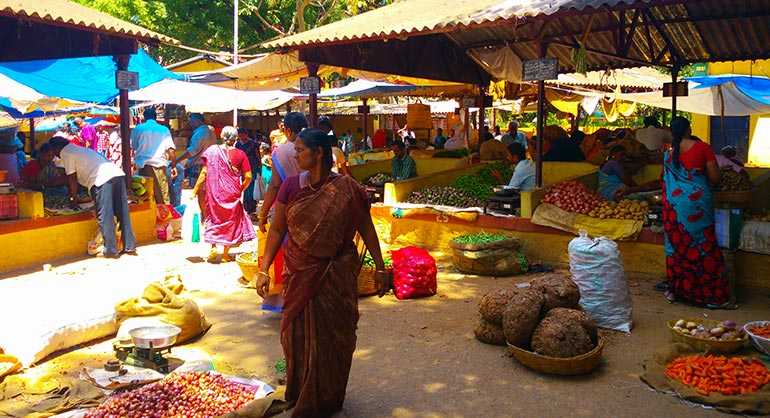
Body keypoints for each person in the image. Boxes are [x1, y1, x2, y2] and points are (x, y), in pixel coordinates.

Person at [256, 128, 388, 418]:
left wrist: (380, 267)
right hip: (300, 273)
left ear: (318, 153)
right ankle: (301, 391)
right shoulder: (291, 187)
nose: (295, 153)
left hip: (336, 275)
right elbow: (278, 228)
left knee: (334, 337)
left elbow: (366, 228)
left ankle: (328, 397)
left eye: (301, 149)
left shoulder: (348, 189)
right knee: (294, 335)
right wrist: (263, 269)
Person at [622, 117, 731, 308]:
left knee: (676, 245)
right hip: (696, 205)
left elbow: (663, 179)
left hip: (673, 206)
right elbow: (714, 178)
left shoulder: (668, 152)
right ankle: (708, 296)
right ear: (689, 129)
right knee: (702, 245)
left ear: (671, 132)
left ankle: (677, 291)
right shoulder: (702, 148)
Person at [49, 136, 136, 258]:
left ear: (56, 148)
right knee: (122, 212)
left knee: (105, 215)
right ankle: (129, 246)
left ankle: (110, 249)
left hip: (101, 179)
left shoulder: (66, 153)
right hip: (117, 174)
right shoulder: (78, 149)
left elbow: (72, 178)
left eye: (53, 152)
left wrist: (73, 199)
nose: (54, 155)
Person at [192, 126, 255, 263]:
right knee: (230, 222)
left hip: (215, 193)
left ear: (221, 135)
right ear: (236, 138)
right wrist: (240, 189)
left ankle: (213, 247)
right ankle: (225, 254)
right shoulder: (240, 154)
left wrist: (194, 190)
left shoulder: (212, 151)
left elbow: (204, 172)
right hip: (232, 193)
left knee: (214, 218)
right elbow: (248, 176)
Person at [258, 112, 308, 234]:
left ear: (288, 130)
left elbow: (275, 185)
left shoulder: (281, 151)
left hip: (290, 206)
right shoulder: (315, 146)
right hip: (315, 204)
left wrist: (263, 214)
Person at [130, 108, 175, 205]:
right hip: (159, 167)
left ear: (144, 117)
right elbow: (171, 150)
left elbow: (133, 147)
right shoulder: (164, 130)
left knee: (145, 197)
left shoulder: (138, 128)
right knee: (162, 197)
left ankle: (149, 218)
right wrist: (174, 166)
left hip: (143, 167)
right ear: (156, 117)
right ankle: (164, 218)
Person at [175, 113, 216, 187]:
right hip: (210, 165)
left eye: (191, 121)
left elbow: (191, 152)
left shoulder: (200, 133)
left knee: (196, 191)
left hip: (198, 167)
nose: (190, 123)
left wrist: (177, 160)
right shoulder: (210, 132)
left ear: (196, 121)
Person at [236, 127, 260, 214]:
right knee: (245, 187)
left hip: (252, 167)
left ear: (246, 134)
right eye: (240, 135)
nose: (241, 136)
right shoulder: (237, 144)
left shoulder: (253, 144)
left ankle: (252, 207)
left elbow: (258, 156)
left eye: (243, 134)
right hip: (242, 168)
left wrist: (259, 167)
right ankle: (246, 206)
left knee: (252, 186)